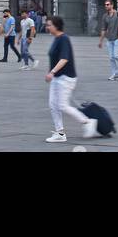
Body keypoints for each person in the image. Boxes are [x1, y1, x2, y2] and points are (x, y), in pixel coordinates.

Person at [45, 15, 96, 143]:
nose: (47, 27)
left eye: (49, 25)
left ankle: (87, 121)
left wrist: (52, 72)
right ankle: (60, 132)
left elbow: (64, 59)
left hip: (65, 78)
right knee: (53, 105)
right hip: (57, 78)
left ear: (56, 26)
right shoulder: (56, 38)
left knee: (62, 105)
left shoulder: (63, 39)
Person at [99, 0, 118, 81]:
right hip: (109, 39)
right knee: (111, 58)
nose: (106, 6)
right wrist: (100, 41)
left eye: (107, 4)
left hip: (117, 38)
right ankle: (115, 74)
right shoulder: (105, 16)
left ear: (112, 5)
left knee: (116, 56)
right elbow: (103, 29)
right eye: (105, 5)